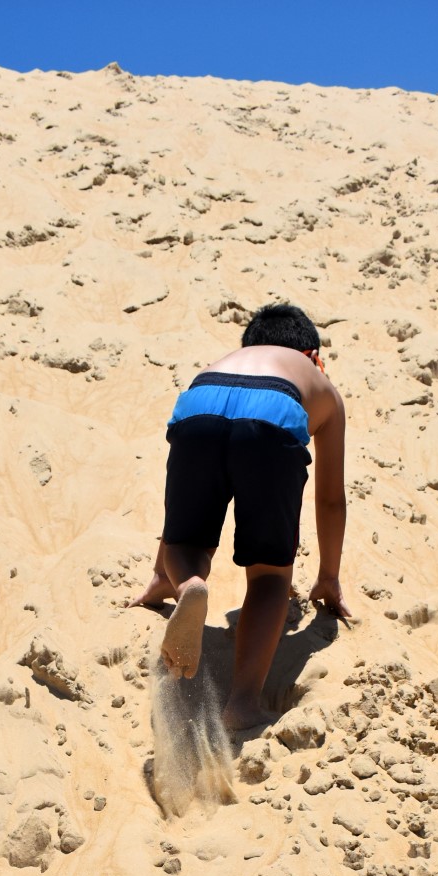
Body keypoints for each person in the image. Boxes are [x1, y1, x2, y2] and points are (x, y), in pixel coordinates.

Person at [129, 302, 348, 730]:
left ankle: (186, 582)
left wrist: (161, 572)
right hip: (274, 415)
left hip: (199, 401)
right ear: (313, 357)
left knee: (188, 544)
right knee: (268, 577)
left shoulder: (225, 362)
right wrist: (328, 576)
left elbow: (178, 506)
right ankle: (242, 701)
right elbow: (330, 500)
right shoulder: (317, 380)